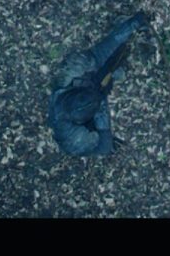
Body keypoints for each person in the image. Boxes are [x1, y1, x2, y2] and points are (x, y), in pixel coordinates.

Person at [47, 12, 149, 157]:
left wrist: (133, 24)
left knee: (112, 56)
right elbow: (104, 146)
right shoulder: (71, 138)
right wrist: (101, 109)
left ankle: (124, 28)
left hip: (90, 83)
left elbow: (102, 51)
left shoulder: (75, 69)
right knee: (105, 146)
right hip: (84, 131)